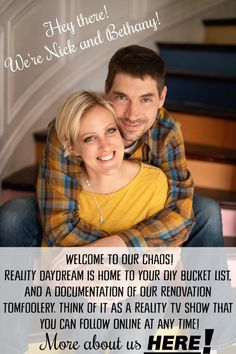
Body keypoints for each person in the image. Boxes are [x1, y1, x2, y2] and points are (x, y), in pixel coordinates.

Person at [0, 45, 223, 247]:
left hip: (138, 214)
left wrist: (122, 245)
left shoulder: (166, 131)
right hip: (86, 211)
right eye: (122, 98)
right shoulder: (70, 129)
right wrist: (114, 251)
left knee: (206, 211)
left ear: (162, 98)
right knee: (14, 214)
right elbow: (60, 225)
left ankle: (207, 292)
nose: (132, 114)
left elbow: (179, 212)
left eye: (145, 99)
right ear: (107, 91)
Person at [39, 91, 168, 247]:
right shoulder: (63, 192)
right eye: (90, 138)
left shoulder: (153, 183)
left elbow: (160, 259)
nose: (105, 146)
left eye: (110, 131)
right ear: (72, 148)